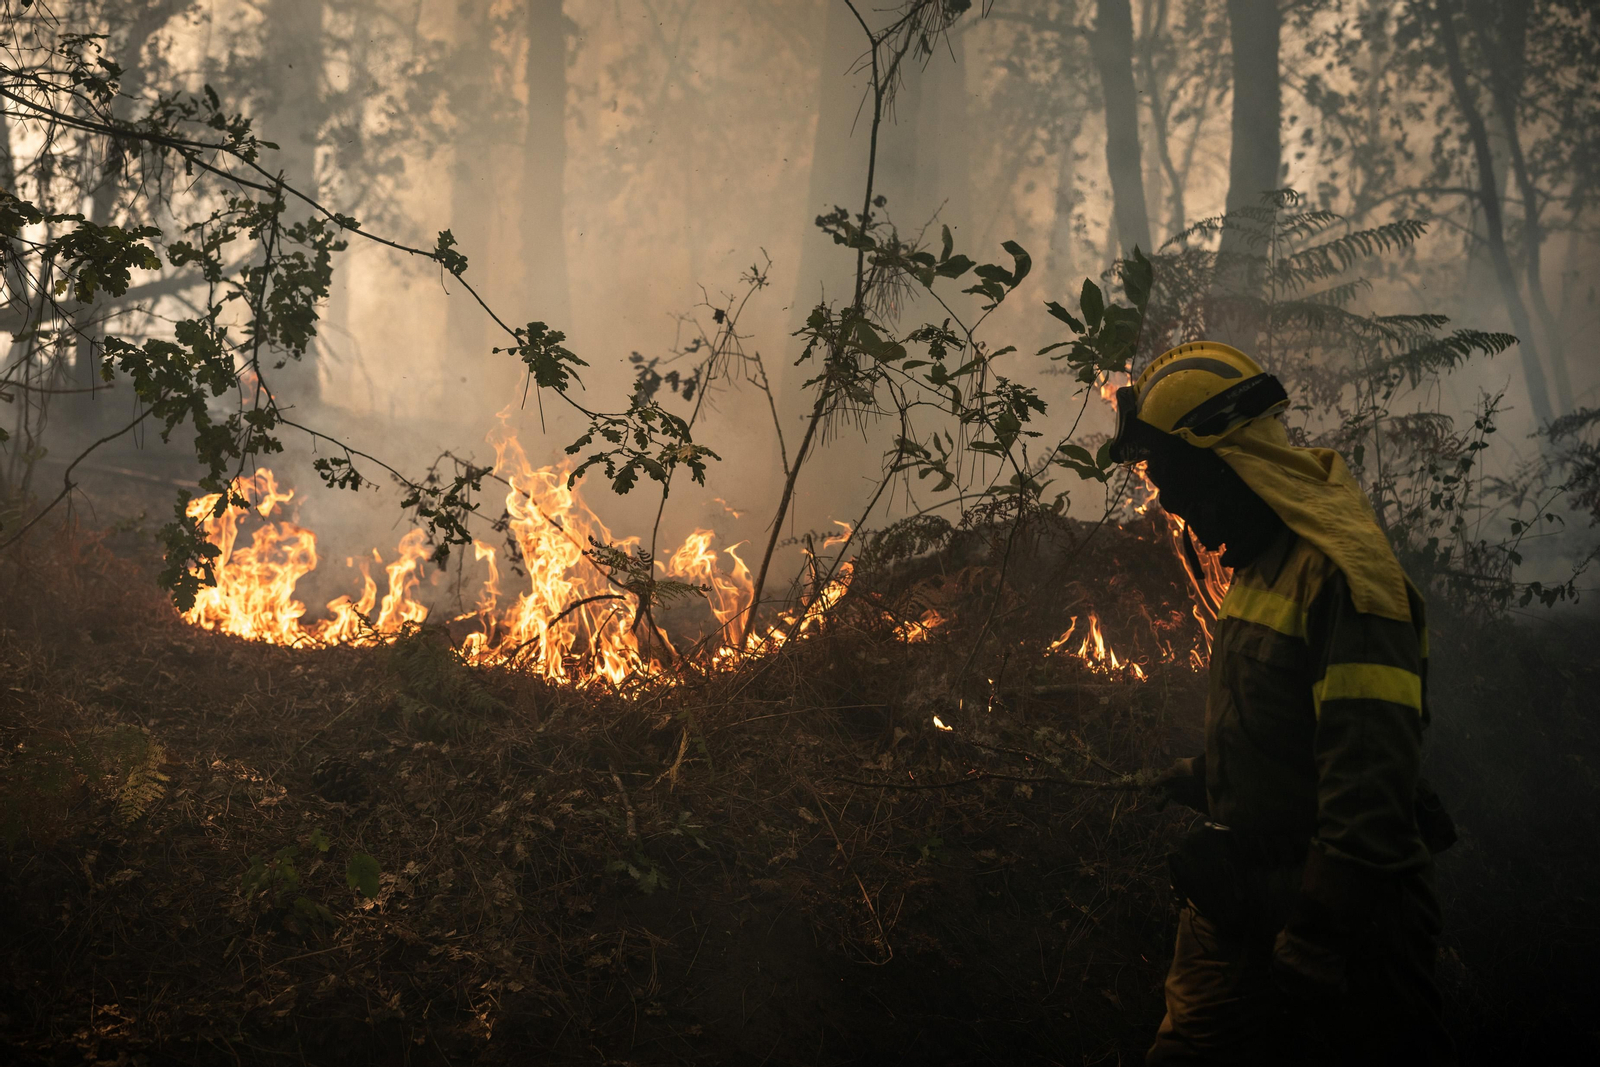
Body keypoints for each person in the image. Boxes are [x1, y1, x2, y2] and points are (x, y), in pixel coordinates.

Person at [1105, 341, 1456, 1066]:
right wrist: (1209, 773)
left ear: (1239, 464)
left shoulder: (1343, 581)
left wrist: (1321, 933)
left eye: (1188, 489)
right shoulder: (1263, 565)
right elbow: (1285, 718)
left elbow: (1368, 775)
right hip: (1249, 890)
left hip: (1346, 916)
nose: (1181, 513)